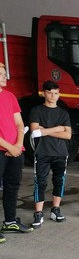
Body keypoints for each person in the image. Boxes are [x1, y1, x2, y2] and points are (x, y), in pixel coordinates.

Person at [30, 80, 72, 227]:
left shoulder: (63, 113)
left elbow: (68, 135)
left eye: (56, 93)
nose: (53, 96)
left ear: (59, 94)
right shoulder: (36, 110)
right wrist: (59, 128)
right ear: (44, 93)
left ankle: (56, 209)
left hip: (60, 152)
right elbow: (35, 131)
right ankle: (38, 213)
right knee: (40, 182)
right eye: (50, 93)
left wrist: (45, 131)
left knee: (59, 181)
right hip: (42, 152)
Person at [0, 63, 33, 241]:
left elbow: (19, 123)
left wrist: (18, 144)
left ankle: (10, 221)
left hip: (15, 150)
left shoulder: (10, 96)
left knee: (12, 186)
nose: (4, 77)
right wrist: (10, 147)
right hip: (4, 150)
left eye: (4, 73)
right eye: (0, 74)